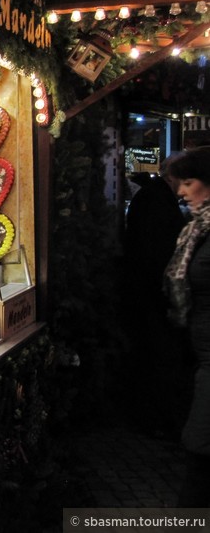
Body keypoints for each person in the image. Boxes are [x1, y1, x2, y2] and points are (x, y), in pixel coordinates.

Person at [122, 156, 189, 436]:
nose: (185, 191)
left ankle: (155, 419)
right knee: (158, 358)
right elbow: (157, 254)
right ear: (174, 176)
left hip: (149, 293)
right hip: (153, 295)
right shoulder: (157, 201)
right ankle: (157, 422)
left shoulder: (155, 197)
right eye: (185, 181)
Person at [163, 147, 210, 506]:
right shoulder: (197, 229)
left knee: (199, 450)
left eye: (188, 182)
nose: (180, 191)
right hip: (201, 356)